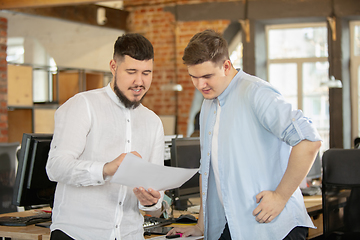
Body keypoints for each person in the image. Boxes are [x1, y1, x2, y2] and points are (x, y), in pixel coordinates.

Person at [167, 29, 322, 240]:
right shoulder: (207, 105)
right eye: (194, 77)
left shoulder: (256, 93)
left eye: (207, 76)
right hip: (235, 226)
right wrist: (202, 225)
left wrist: (279, 196)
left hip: (273, 228)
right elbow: (208, 170)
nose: (200, 85)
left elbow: (308, 141)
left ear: (226, 66)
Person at [46, 33, 165, 240]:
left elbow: (156, 199)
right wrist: (105, 169)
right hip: (77, 234)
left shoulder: (153, 122)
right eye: (131, 72)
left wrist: (152, 201)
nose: (140, 81)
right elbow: (55, 167)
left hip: (129, 234)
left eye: (147, 73)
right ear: (113, 66)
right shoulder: (83, 105)